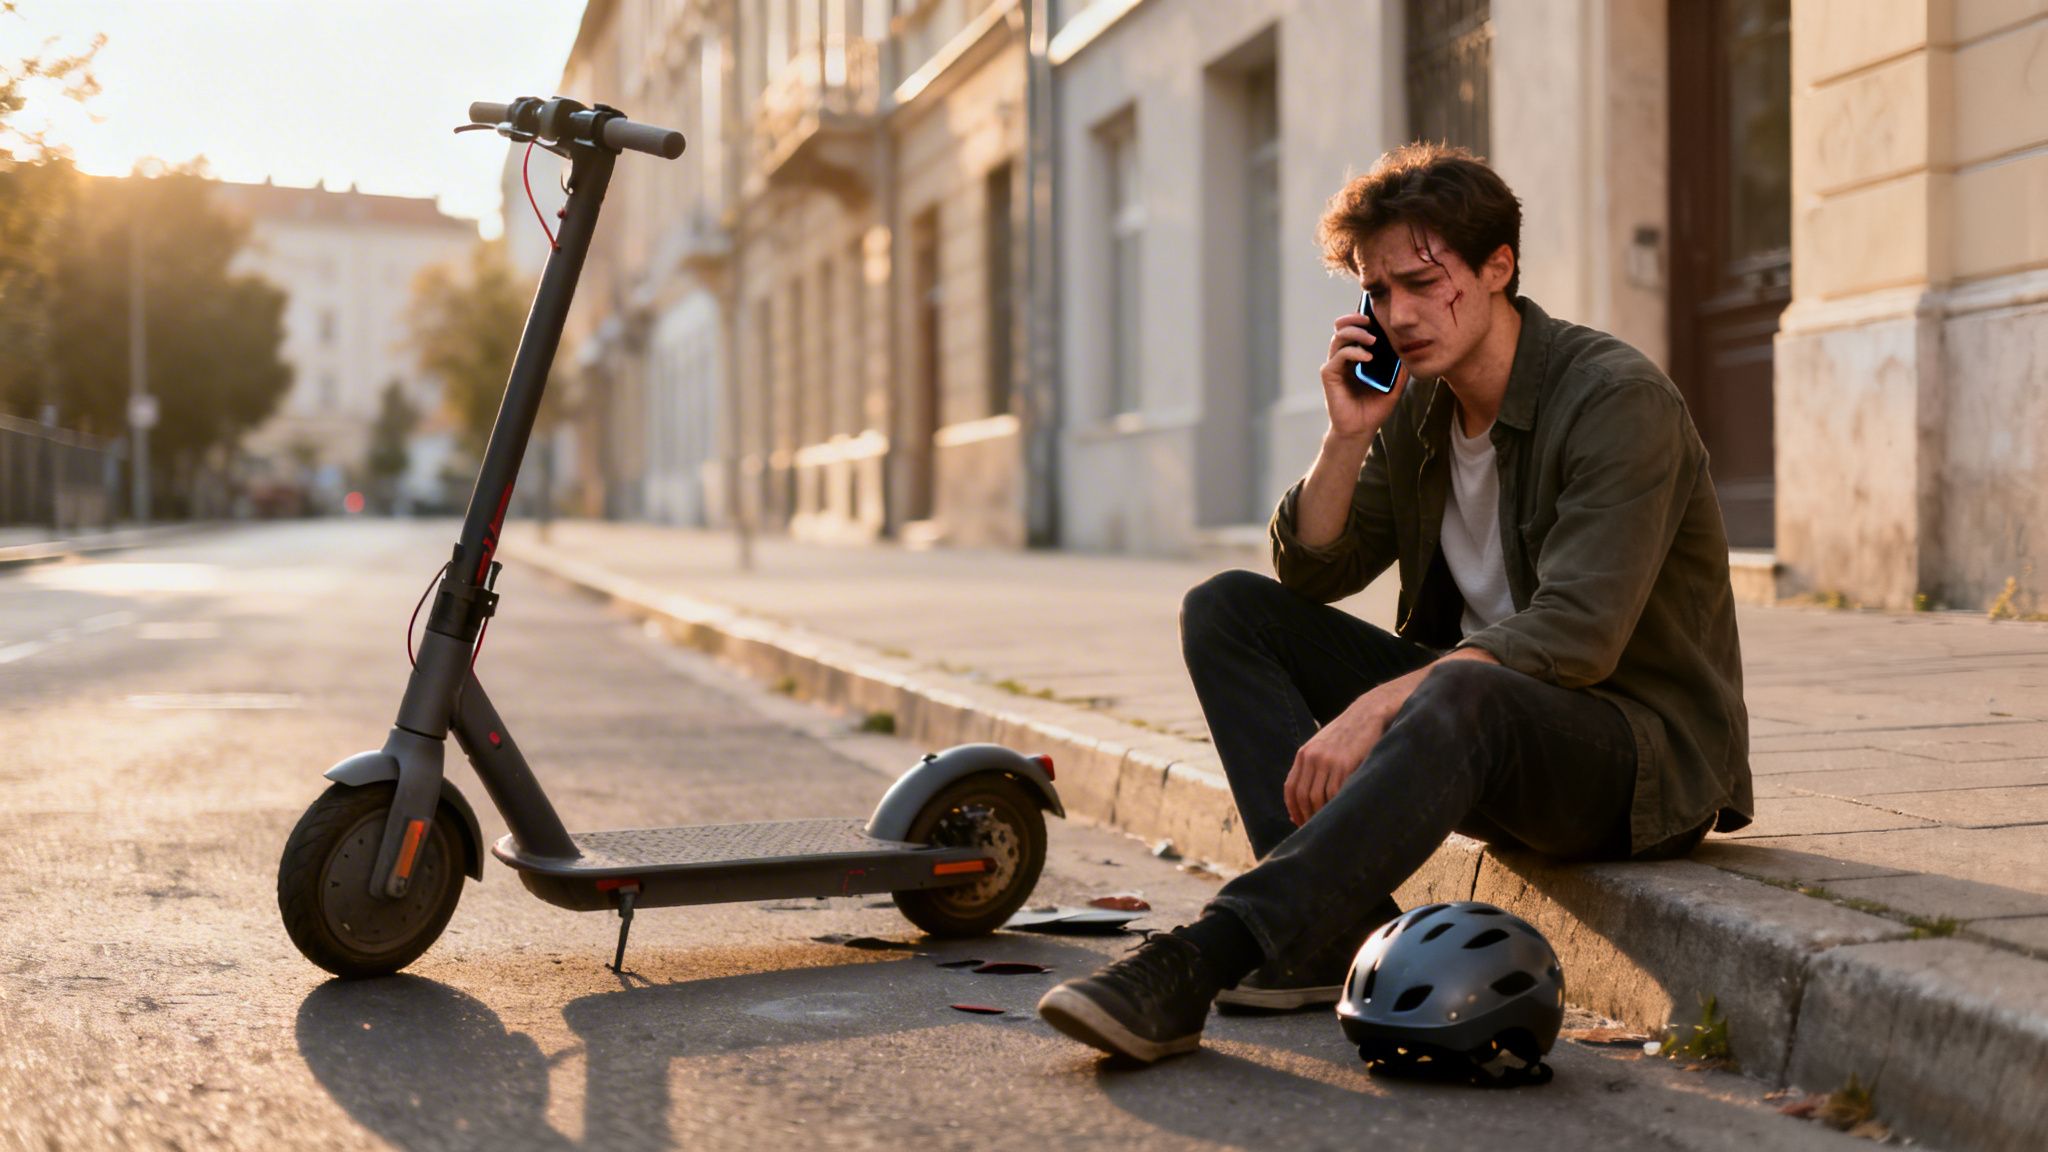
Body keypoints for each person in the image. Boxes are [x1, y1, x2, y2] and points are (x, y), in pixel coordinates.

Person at [1037, 142, 1752, 1065]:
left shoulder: (1615, 399)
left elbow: (1579, 633)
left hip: (1632, 759)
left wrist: (1385, 702)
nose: (1400, 316)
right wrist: (1345, 437)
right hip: (1482, 722)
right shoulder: (1420, 406)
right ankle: (1330, 932)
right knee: (1227, 608)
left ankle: (1205, 954)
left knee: (1459, 688)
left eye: (1423, 281)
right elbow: (1314, 572)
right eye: (1378, 293)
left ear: (1498, 267)